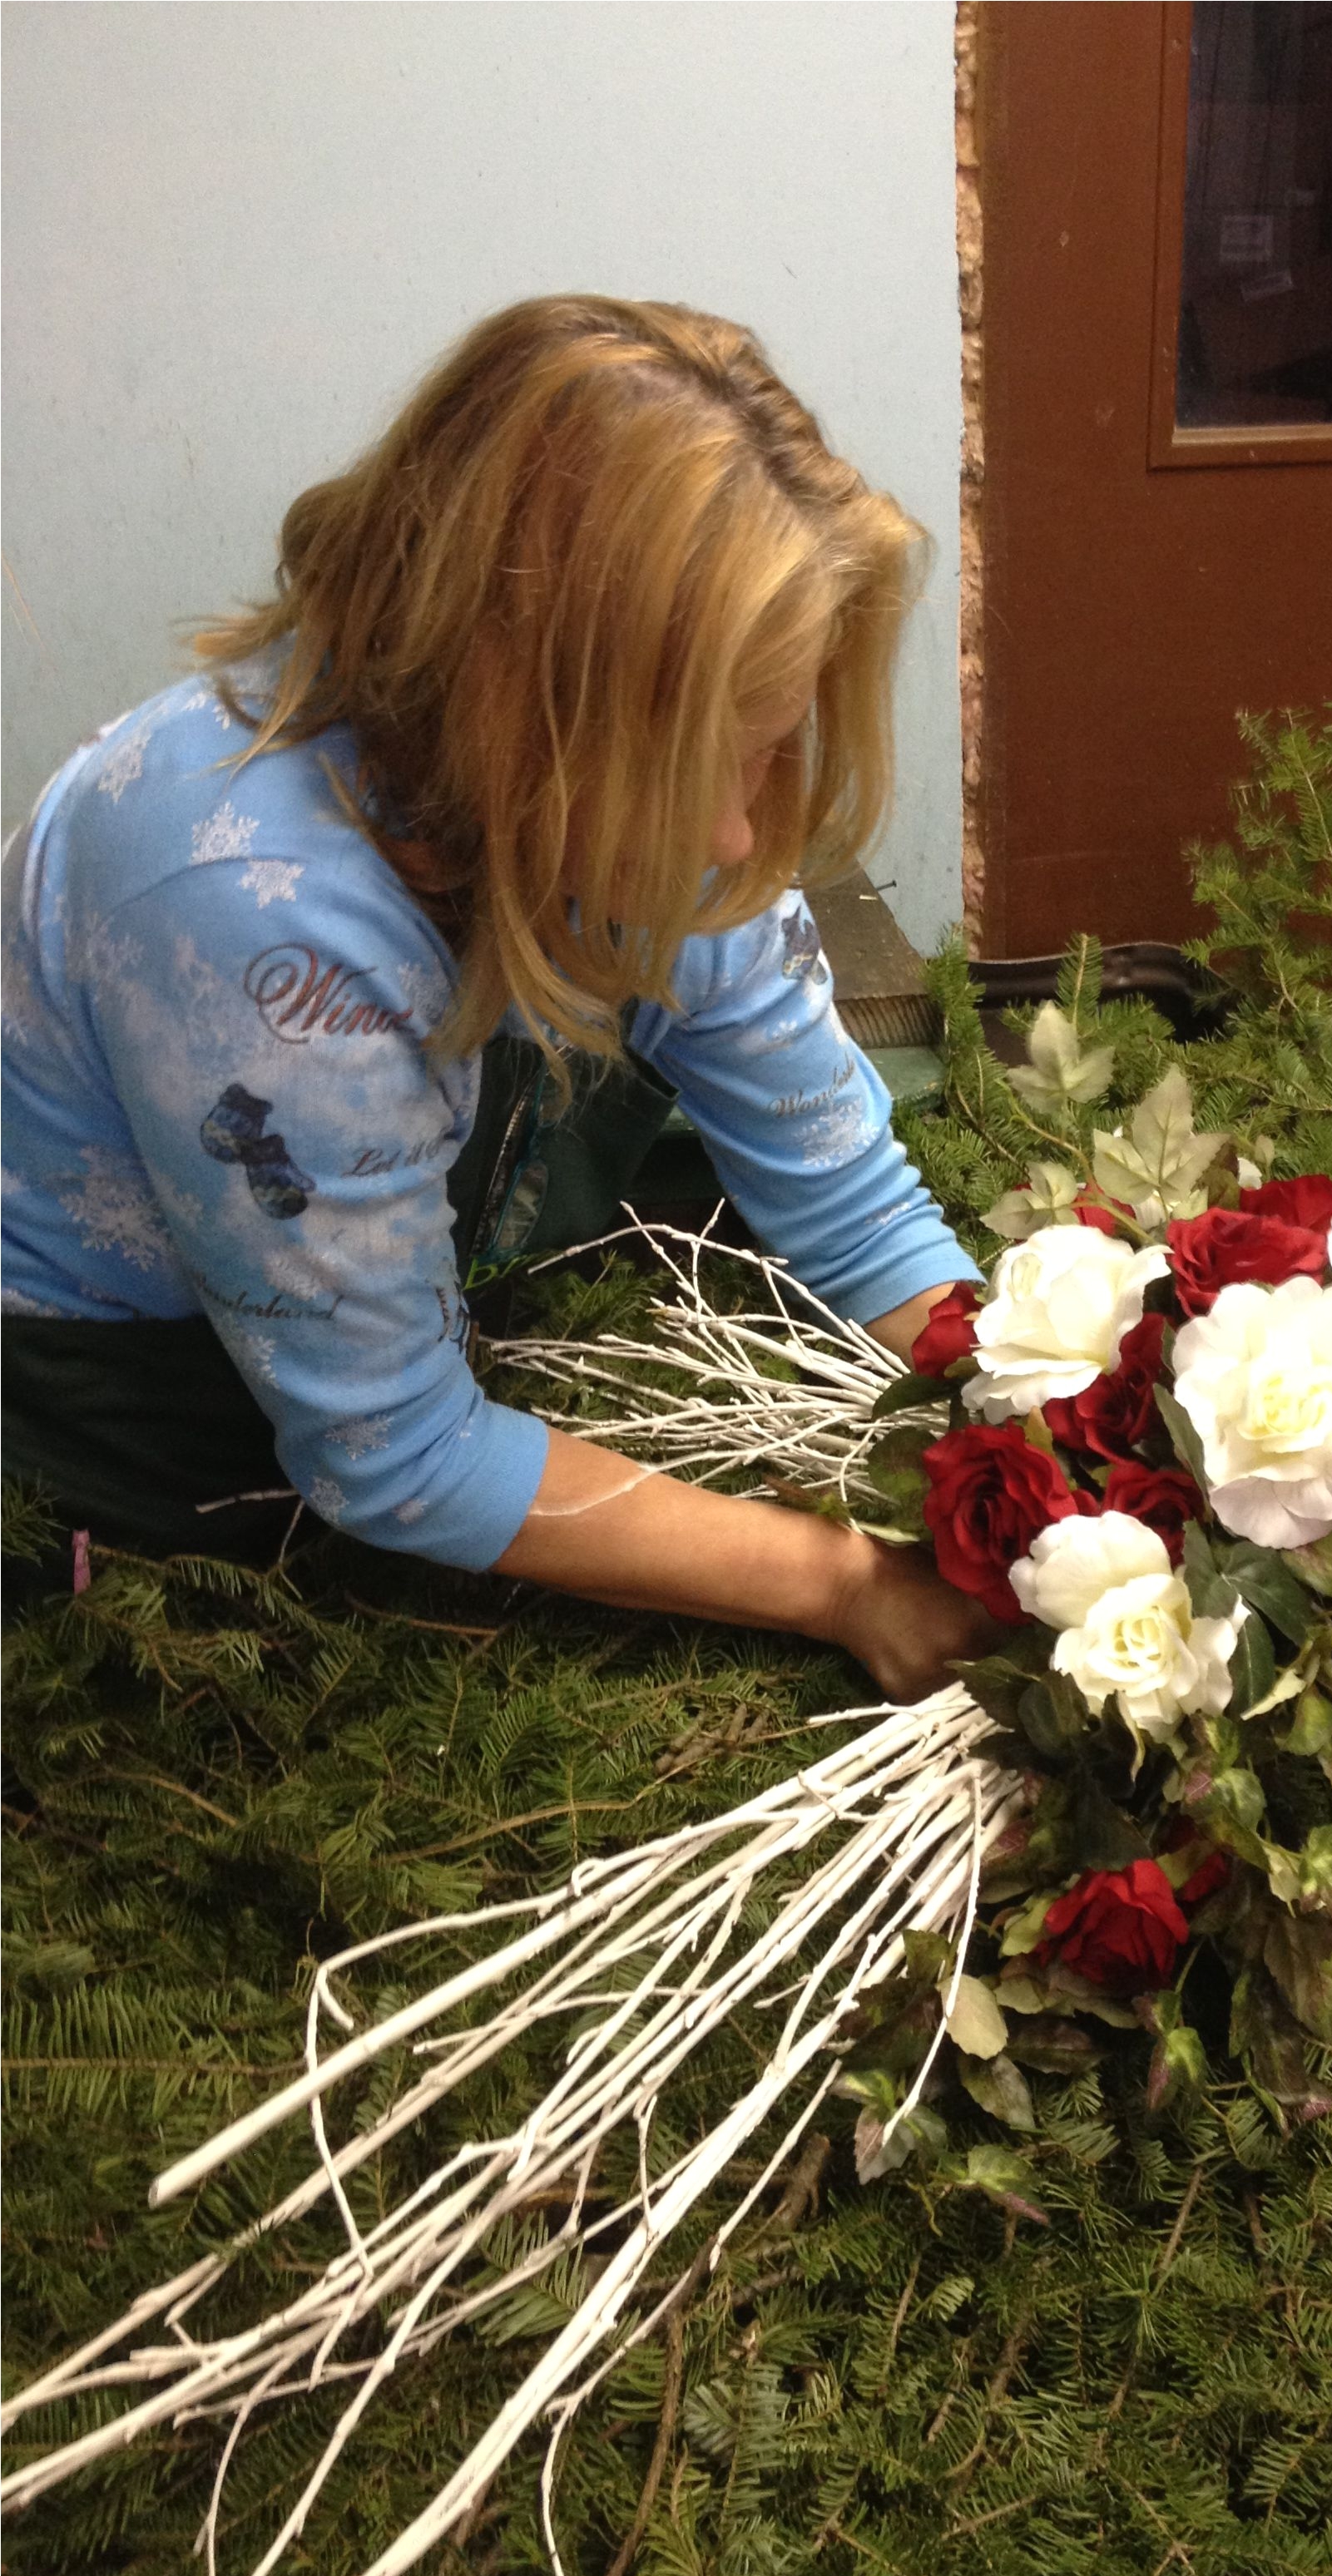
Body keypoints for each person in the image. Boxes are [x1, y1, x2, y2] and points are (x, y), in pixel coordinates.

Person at [1, 294, 998, 1698]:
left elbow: (838, 1183)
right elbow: (393, 1458)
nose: (732, 837)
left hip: (357, 1218)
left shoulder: (615, 778)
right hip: (115, 1389)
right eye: (695, 770)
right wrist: (845, 1585)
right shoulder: (249, 915)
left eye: (765, 754)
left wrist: (1035, 1401)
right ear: (512, 704)